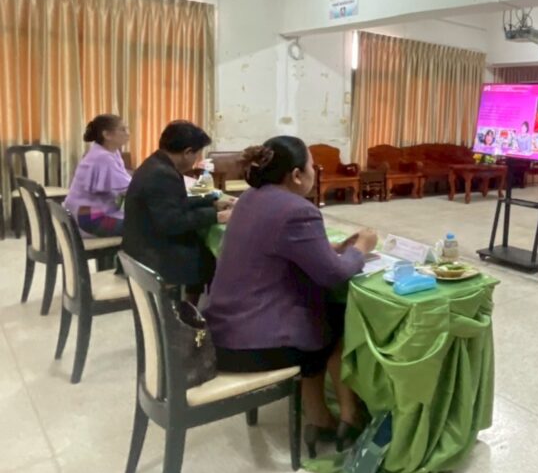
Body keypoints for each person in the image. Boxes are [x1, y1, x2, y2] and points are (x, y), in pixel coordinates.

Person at [203, 137, 377, 453]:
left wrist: (329, 248)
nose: (314, 172)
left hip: (224, 326)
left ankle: (319, 417)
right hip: (253, 342)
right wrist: (361, 248)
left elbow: (273, 244)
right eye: (312, 166)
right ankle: (349, 415)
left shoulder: (249, 198)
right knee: (338, 321)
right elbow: (334, 275)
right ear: (297, 175)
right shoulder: (297, 209)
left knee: (322, 318)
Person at [122, 120, 232, 301]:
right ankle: (193, 310)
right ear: (187, 152)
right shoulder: (162, 173)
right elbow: (172, 222)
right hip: (151, 253)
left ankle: (191, 306)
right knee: (213, 257)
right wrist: (217, 216)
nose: (196, 160)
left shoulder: (156, 163)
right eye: (197, 154)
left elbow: (174, 202)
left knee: (203, 248)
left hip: (142, 242)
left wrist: (212, 202)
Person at [64, 114, 132, 237]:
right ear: (107, 135)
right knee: (141, 228)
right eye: (122, 129)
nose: (128, 133)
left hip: (88, 213)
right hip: (90, 219)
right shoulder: (102, 157)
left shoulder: (110, 152)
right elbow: (129, 188)